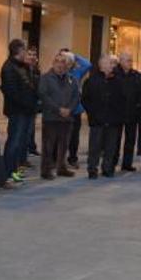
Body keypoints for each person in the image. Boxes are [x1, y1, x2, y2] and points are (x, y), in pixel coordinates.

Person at [82, 55, 126, 179]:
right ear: (102, 65)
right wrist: (92, 113)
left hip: (113, 120)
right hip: (97, 120)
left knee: (110, 146)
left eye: (113, 63)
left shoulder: (118, 81)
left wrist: (118, 114)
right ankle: (92, 168)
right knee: (95, 146)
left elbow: (123, 99)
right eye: (110, 63)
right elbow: (85, 99)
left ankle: (107, 168)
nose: (113, 66)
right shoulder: (92, 81)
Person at [1, 39, 38, 183]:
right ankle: (8, 171)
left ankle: (15, 169)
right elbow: (12, 92)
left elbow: (31, 85)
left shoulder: (23, 66)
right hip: (17, 111)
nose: (26, 53)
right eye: (24, 50)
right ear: (18, 51)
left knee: (22, 141)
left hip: (27, 110)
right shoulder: (9, 68)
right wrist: (26, 104)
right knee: (14, 141)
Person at [38, 52, 80, 180]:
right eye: (58, 61)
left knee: (64, 145)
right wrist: (58, 109)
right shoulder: (45, 78)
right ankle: (46, 170)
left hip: (67, 118)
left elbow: (76, 96)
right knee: (48, 146)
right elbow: (44, 96)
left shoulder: (72, 79)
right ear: (53, 63)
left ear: (67, 65)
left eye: (63, 62)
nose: (60, 65)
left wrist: (70, 109)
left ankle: (61, 167)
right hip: (51, 117)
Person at [114, 52, 141, 172]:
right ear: (120, 61)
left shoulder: (136, 75)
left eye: (131, 60)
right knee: (115, 139)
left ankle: (127, 164)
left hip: (132, 113)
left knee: (130, 139)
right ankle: (112, 161)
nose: (130, 63)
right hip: (117, 112)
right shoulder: (115, 74)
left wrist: (139, 105)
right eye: (127, 60)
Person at [63, 50, 91, 169]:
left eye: (69, 61)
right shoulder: (58, 72)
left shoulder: (77, 72)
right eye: (65, 61)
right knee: (60, 136)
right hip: (62, 110)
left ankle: (73, 158)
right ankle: (56, 158)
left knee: (74, 137)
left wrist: (75, 55)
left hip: (75, 110)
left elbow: (88, 64)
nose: (66, 63)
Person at [24, 46, 41, 162]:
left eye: (34, 55)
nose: (32, 57)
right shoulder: (22, 69)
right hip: (24, 105)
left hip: (33, 104)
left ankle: (30, 148)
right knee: (23, 132)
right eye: (30, 54)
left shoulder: (36, 70)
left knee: (30, 129)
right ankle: (22, 157)